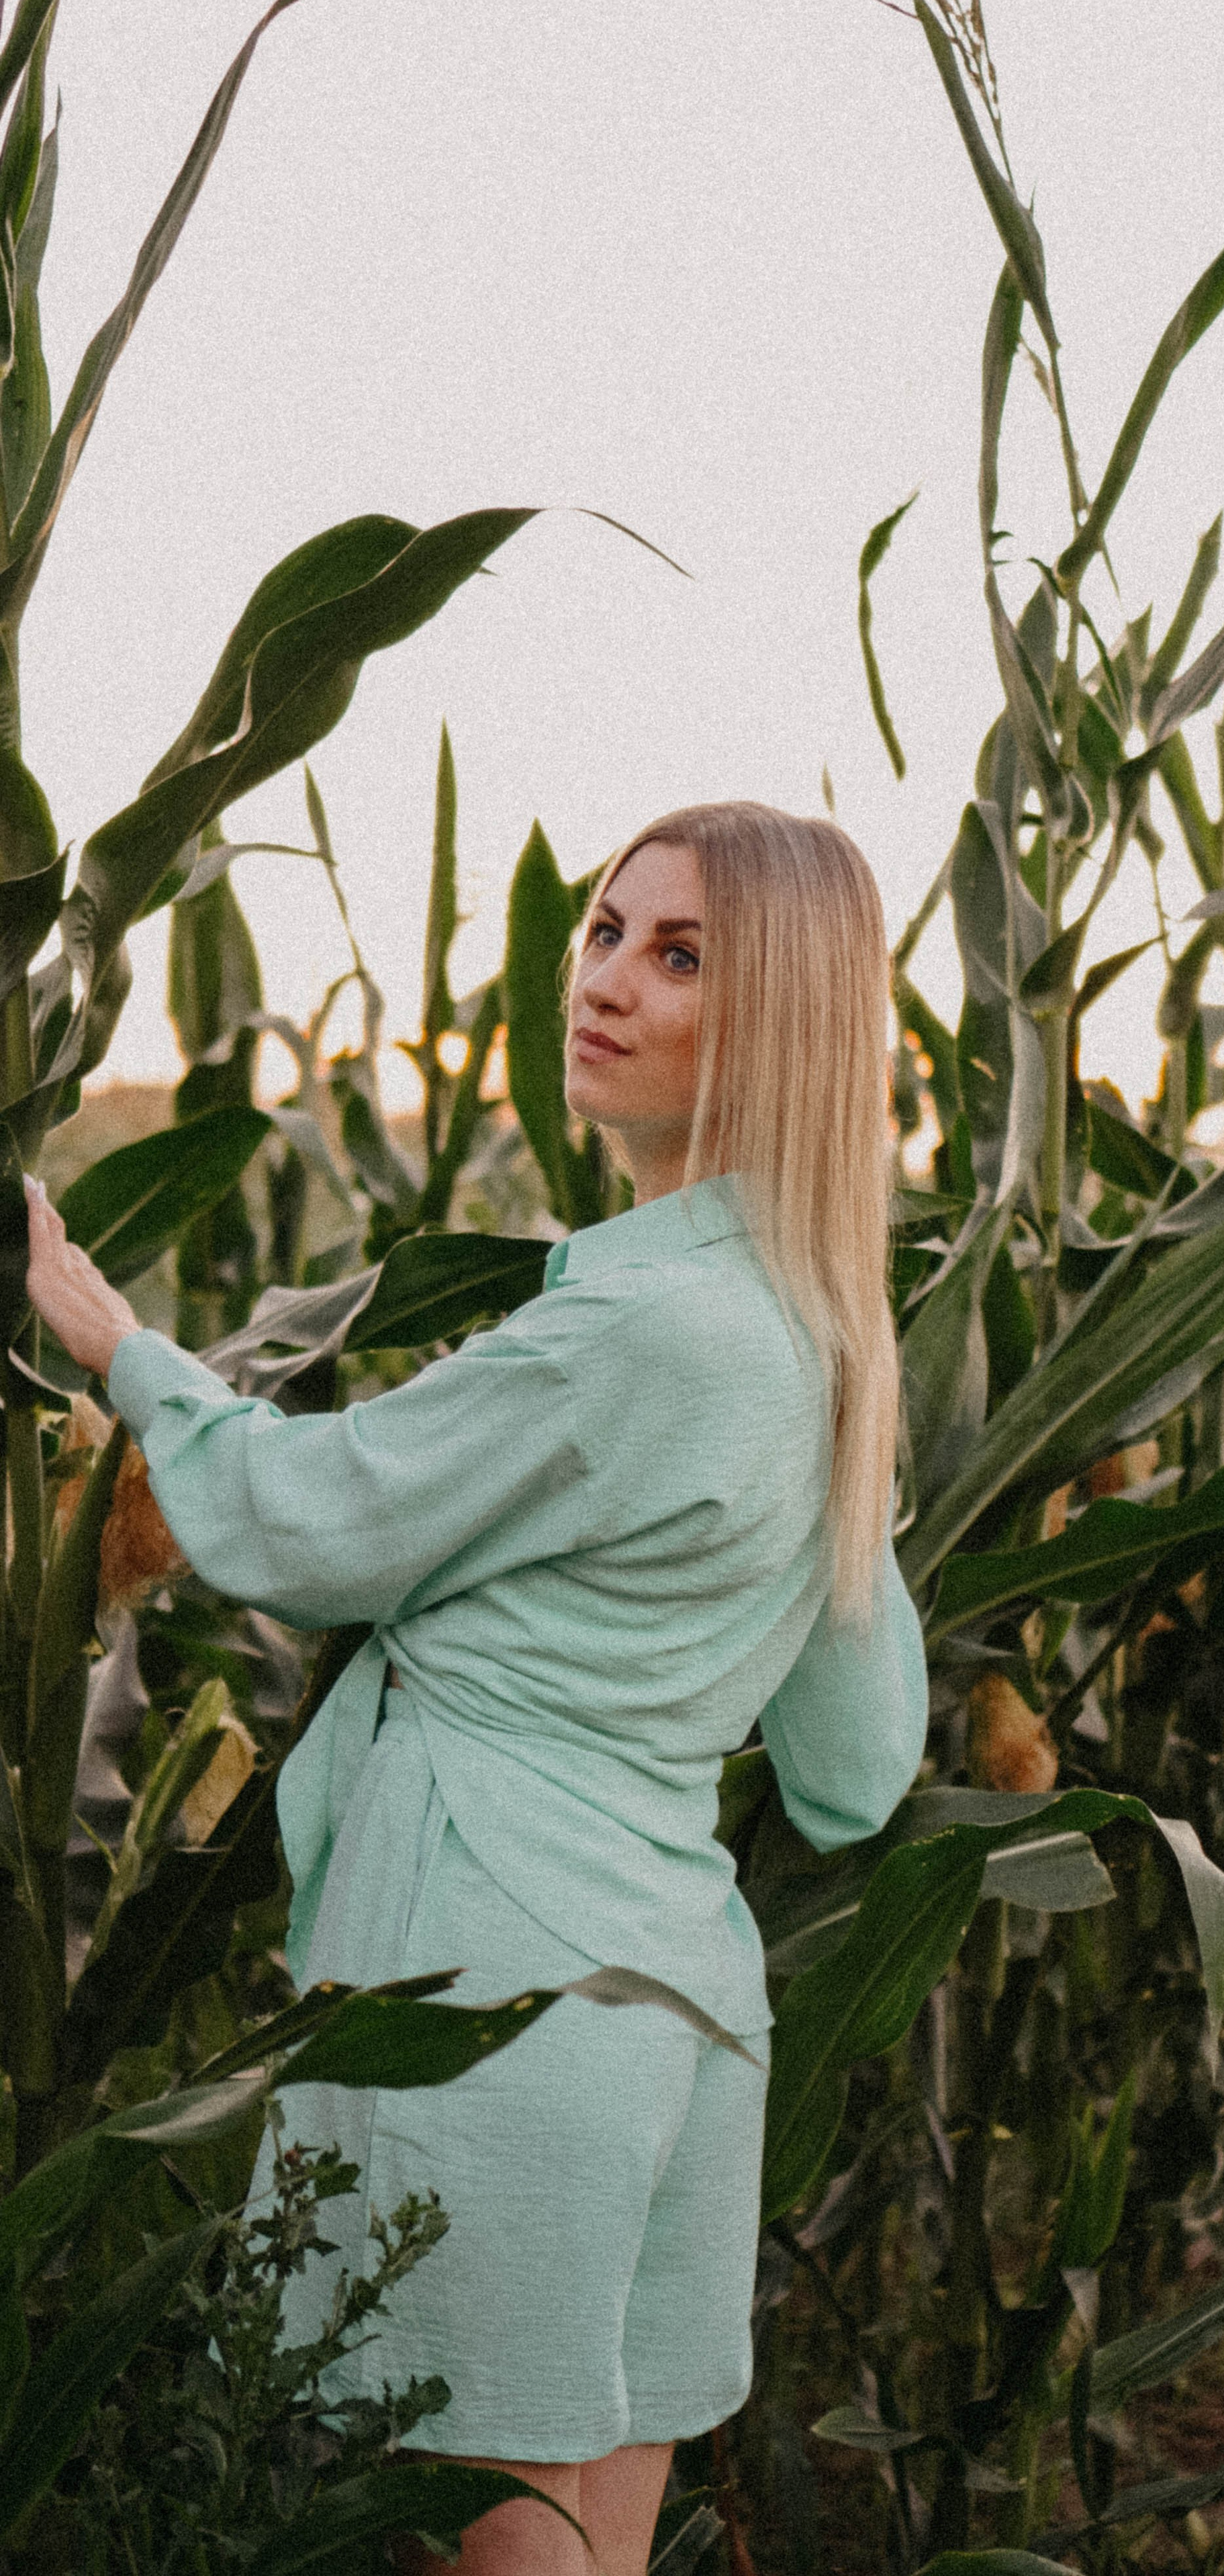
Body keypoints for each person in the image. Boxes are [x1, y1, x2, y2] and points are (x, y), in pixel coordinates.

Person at [25, 802, 929, 2576]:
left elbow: (313, 1520)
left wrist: (117, 1344)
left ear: (785, 1025)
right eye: (606, 931)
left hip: (495, 1991)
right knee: (590, 2544)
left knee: (489, 2551)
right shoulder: (828, 1344)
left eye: (682, 957)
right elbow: (851, 1766)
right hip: (681, 2010)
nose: (605, 981)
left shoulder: (638, 1330)